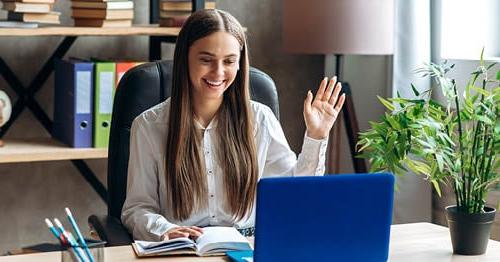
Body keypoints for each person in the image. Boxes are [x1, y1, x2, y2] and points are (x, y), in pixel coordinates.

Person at [121, 9, 345, 241]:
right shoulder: (149, 126)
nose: (218, 72)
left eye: (229, 61)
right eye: (206, 60)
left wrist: (316, 136)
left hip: (246, 248)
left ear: (240, 64)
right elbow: (137, 209)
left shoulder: (260, 119)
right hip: (183, 248)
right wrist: (164, 229)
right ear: (184, 59)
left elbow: (296, 194)